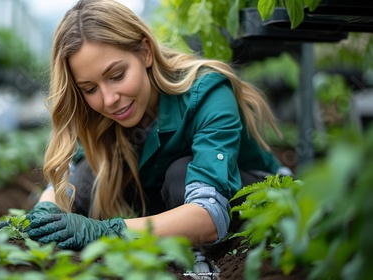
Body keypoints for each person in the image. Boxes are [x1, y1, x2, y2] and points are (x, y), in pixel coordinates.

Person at [18, 0, 290, 250]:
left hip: (242, 191)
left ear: (145, 52)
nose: (109, 100)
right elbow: (70, 183)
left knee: (179, 176)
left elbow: (209, 214)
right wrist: (41, 216)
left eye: (117, 75)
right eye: (90, 88)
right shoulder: (97, 112)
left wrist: (105, 232)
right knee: (90, 173)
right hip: (160, 196)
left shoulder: (208, 92)